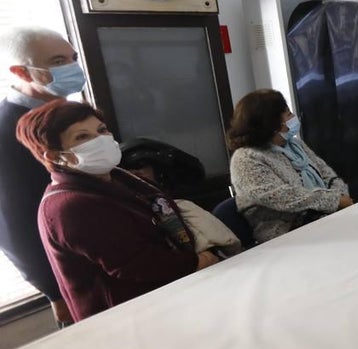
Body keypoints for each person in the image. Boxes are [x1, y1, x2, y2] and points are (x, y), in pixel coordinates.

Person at [15, 100, 219, 322]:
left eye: (101, 130)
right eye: (82, 137)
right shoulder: (69, 206)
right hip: (132, 318)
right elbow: (136, 263)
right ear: (55, 156)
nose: (100, 140)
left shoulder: (117, 177)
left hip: (170, 297)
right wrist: (198, 262)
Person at [0, 27, 87, 326]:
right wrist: (55, 292)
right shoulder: (7, 132)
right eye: (58, 61)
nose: (73, 67)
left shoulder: (73, 115)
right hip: (73, 280)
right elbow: (12, 226)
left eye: (73, 58)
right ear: (21, 72)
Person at [227, 89, 352, 243]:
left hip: (324, 218)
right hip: (286, 234)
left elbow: (327, 174)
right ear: (272, 123)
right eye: (288, 114)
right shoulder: (245, 159)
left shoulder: (294, 144)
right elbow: (283, 197)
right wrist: (334, 201)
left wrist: (341, 196)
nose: (294, 117)